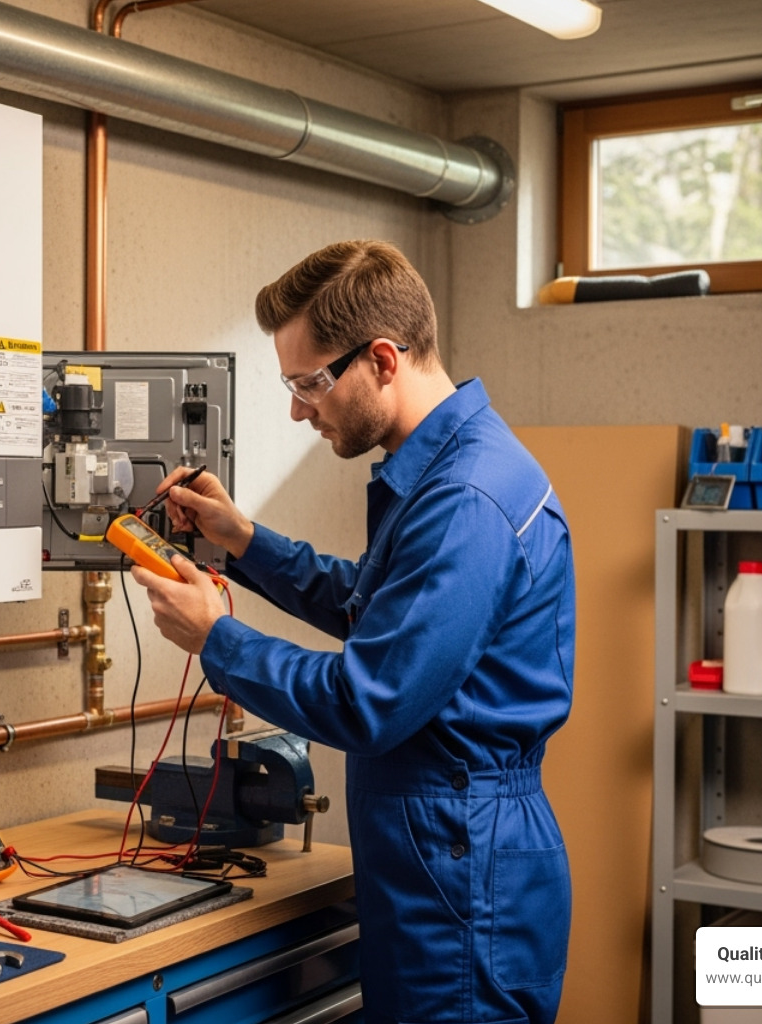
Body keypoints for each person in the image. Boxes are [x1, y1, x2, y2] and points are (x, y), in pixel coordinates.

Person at [129, 239, 575, 1024]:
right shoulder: (445, 467)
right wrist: (243, 538)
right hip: (445, 847)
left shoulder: (465, 499)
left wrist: (217, 639)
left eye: (309, 383)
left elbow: (369, 701)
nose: (299, 410)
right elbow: (381, 611)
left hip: (458, 860)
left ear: (381, 359)